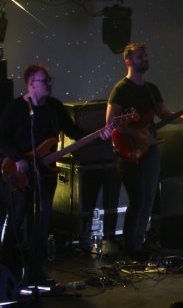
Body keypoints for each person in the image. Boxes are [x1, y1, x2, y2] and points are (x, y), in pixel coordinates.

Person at [0, 63, 111, 286]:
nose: (49, 84)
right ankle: (6, 272)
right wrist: (18, 158)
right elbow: (1, 138)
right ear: (31, 84)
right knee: (16, 220)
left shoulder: (54, 107)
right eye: (45, 80)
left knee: (42, 225)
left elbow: (75, 133)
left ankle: (35, 273)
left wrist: (101, 134)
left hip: (46, 175)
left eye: (50, 80)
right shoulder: (15, 109)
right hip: (19, 174)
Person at [106, 42, 183, 261]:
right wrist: (137, 135)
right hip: (128, 150)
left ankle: (139, 244)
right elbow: (110, 122)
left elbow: (166, 115)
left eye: (145, 56)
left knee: (148, 199)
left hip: (150, 149)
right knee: (137, 198)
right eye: (140, 57)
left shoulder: (151, 89)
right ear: (128, 61)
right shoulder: (121, 89)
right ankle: (131, 247)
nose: (145, 59)